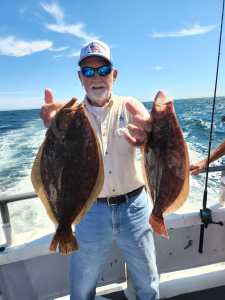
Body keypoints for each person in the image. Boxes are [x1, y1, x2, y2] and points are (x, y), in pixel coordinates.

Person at [40, 40, 159, 300]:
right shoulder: (71, 115)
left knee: (147, 281)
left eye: (103, 70)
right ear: (80, 78)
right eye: (89, 71)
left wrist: (150, 133)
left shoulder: (129, 105)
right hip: (90, 211)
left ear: (114, 75)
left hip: (134, 208)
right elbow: (52, 163)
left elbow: (148, 126)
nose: (97, 77)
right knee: (81, 288)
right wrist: (52, 124)